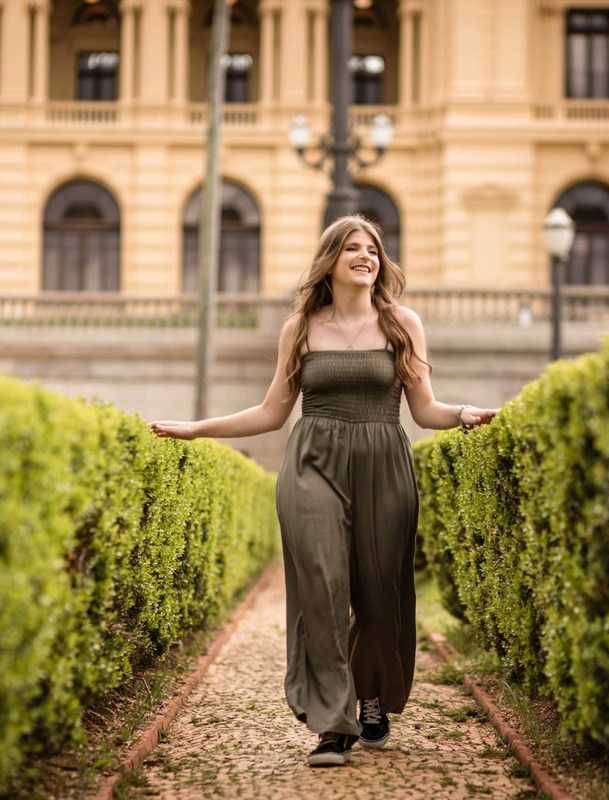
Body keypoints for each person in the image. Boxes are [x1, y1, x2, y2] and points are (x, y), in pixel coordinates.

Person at [149, 215, 497, 767]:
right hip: (312, 464)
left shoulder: (403, 323)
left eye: (373, 249)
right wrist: (197, 429)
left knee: (380, 597)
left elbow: (425, 409)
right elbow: (272, 412)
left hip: (384, 465)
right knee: (322, 586)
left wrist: (463, 414)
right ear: (330, 260)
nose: (366, 257)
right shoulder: (301, 328)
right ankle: (334, 722)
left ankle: (371, 693)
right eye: (353, 248)